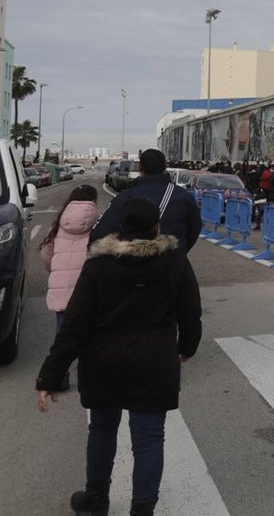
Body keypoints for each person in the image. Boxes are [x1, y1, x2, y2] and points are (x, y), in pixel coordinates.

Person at [36, 197, 203, 516]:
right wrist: (187, 348)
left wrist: (50, 375)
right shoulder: (176, 262)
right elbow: (190, 314)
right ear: (157, 226)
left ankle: (96, 499)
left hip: (103, 364)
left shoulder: (98, 265)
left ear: (120, 227)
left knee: (101, 428)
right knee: (150, 438)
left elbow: (75, 325)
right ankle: (142, 510)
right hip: (155, 364)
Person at [40, 185, 101, 390]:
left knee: (62, 334)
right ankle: (92, 375)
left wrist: (56, 270)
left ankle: (59, 376)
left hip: (62, 289)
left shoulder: (57, 225)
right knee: (93, 333)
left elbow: (46, 256)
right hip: (89, 288)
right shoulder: (99, 224)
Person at [90, 149, 201, 253]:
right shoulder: (183, 197)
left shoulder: (125, 197)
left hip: (131, 264)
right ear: (165, 167)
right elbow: (194, 228)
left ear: (140, 168)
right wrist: (180, 251)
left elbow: (99, 234)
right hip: (173, 263)